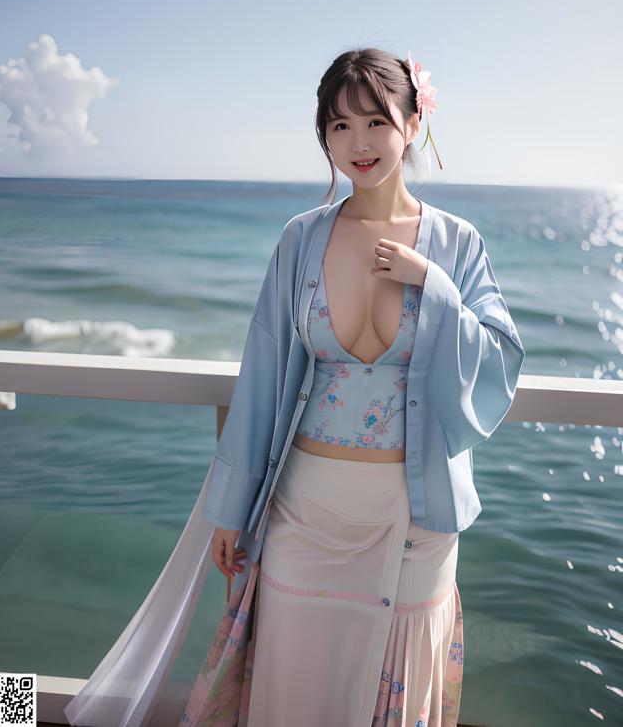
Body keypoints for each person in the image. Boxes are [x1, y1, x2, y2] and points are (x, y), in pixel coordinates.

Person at [64, 48, 525, 727]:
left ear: (412, 123)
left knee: (393, 691)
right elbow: (263, 373)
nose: (358, 142)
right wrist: (232, 508)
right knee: (294, 685)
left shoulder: (458, 244)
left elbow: (500, 362)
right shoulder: (301, 239)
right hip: (305, 511)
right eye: (339, 126)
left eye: (375, 121)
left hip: (416, 519)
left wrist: (433, 284)